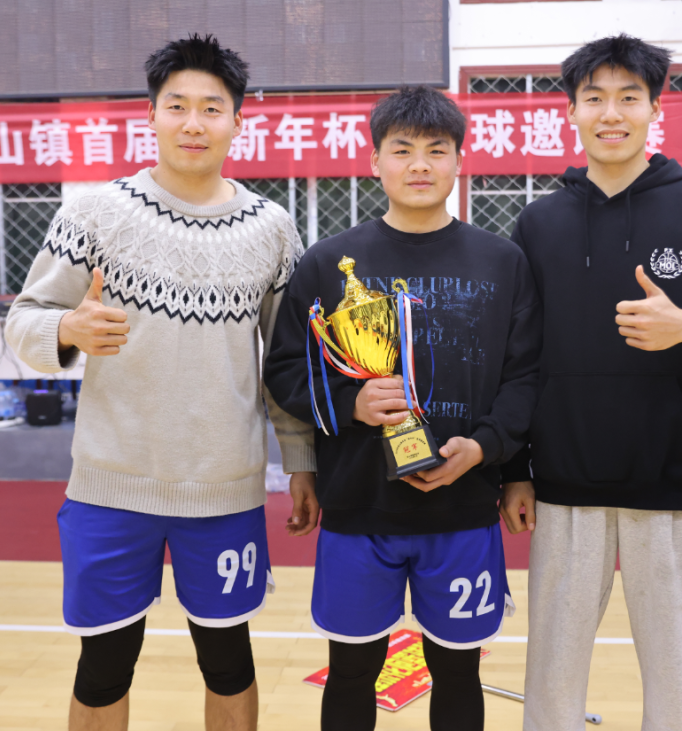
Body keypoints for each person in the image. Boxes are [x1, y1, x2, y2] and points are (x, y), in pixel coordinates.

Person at [4, 34, 314, 731]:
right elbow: (22, 321)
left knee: (229, 659)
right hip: (111, 488)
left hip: (225, 490)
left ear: (238, 120)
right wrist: (66, 328)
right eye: (177, 105)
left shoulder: (271, 229)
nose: (193, 122)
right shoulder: (93, 213)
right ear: (151, 115)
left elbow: (284, 362)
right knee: (104, 664)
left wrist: (301, 460)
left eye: (212, 107)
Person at [498, 34, 682, 731]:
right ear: (571, 111)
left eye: (629, 97)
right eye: (594, 97)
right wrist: (515, 470)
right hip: (564, 486)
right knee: (551, 676)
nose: (611, 113)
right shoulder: (539, 222)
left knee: (676, 676)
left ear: (656, 108)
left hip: (674, 486)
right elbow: (518, 357)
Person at [263, 85, 541, 731]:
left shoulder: (503, 262)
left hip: (464, 505)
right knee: (351, 670)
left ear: (459, 161)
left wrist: (490, 449)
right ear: (375, 161)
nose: (420, 164)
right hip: (359, 505)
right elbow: (285, 368)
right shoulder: (329, 263)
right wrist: (351, 402)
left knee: (459, 671)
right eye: (403, 149)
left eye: (437, 150)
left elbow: (525, 374)